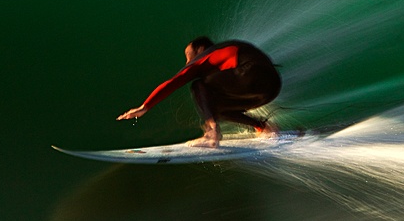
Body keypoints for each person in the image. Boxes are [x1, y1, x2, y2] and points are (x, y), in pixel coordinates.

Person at [117, 36, 282, 148]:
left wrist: (145, 106)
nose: (188, 62)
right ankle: (264, 127)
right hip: (271, 87)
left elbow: (174, 82)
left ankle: (211, 133)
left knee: (198, 86)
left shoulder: (207, 56)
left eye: (189, 56)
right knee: (216, 108)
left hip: (250, 74)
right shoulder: (225, 53)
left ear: (201, 49)